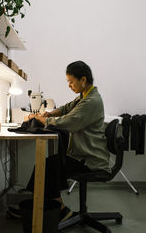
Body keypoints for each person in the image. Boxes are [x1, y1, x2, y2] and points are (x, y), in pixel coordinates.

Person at [9, 60, 110, 221]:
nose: (69, 85)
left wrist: (40, 119)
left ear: (83, 80)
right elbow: (65, 109)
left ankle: (59, 209)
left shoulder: (91, 102)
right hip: (81, 153)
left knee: (48, 167)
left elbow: (68, 122)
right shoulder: (84, 96)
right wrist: (49, 114)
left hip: (90, 158)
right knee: (48, 165)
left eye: (71, 82)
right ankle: (41, 206)